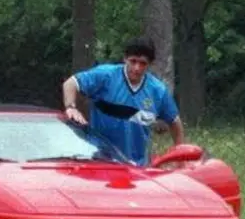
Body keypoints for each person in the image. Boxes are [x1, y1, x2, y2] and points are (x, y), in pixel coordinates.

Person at [61, 36, 184, 166]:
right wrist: (71, 107)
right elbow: (71, 83)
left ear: (150, 64)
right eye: (133, 61)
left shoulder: (158, 91)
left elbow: (175, 122)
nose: (137, 68)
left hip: (137, 167)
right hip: (100, 162)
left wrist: (181, 160)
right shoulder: (105, 76)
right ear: (125, 58)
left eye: (143, 63)